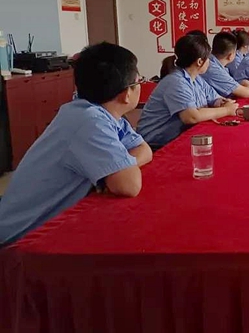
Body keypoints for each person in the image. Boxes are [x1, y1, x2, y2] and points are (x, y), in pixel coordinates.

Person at [0, 43, 152, 245]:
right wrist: (119, 170)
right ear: (126, 94)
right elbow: (129, 185)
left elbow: (144, 150)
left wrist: (120, 166)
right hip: (18, 241)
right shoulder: (89, 121)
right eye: (139, 81)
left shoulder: (104, 114)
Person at [137, 35, 238, 148]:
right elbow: (191, 117)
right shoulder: (176, 82)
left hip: (180, 138)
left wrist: (222, 102)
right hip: (156, 146)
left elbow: (214, 98)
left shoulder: (196, 78)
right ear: (199, 62)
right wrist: (227, 110)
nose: (209, 62)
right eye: (208, 58)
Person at [202, 32, 249, 98]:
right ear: (230, 55)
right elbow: (247, 93)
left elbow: (233, 89)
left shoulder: (214, 63)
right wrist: (248, 83)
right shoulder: (213, 69)